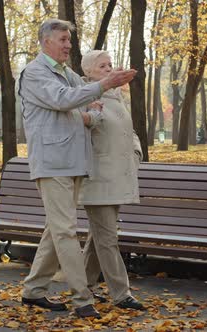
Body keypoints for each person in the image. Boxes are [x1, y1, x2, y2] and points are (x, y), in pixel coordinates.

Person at [18, 18, 136, 319]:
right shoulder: (35, 73)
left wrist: (93, 105)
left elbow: (87, 111)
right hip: (52, 164)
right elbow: (64, 100)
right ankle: (82, 299)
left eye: (69, 41)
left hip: (74, 162)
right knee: (66, 232)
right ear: (46, 41)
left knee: (55, 231)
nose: (68, 46)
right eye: (63, 40)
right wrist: (101, 87)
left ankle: (33, 290)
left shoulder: (67, 73)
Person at [77, 50, 145, 311]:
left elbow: (129, 132)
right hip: (97, 179)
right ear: (89, 72)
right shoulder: (84, 96)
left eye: (110, 65)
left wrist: (136, 153)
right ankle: (121, 294)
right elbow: (82, 130)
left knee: (99, 237)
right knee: (107, 238)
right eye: (102, 66)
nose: (108, 69)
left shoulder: (116, 97)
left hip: (118, 176)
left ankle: (85, 288)